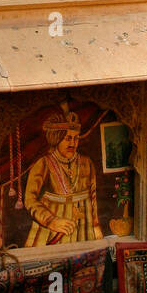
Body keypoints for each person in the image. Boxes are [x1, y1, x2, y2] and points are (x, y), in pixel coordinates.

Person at [23, 105, 102, 246]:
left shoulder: (87, 163)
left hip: (84, 227)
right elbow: (30, 199)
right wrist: (51, 221)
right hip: (53, 229)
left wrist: (95, 227)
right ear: (57, 138)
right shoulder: (43, 163)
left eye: (76, 138)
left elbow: (93, 196)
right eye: (68, 138)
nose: (73, 143)